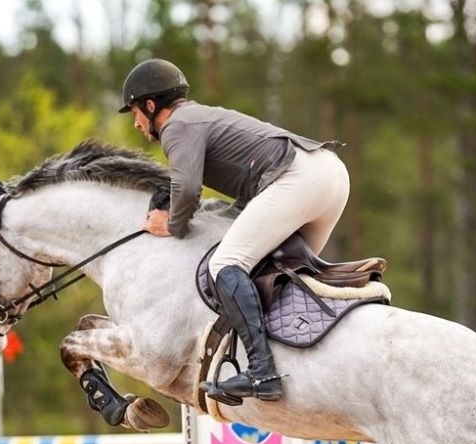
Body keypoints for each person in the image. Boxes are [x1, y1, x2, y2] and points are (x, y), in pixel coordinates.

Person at [120, 58, 349, 405]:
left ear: (151, 106)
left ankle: (262, 372)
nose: (137, 123)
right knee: (281, 273)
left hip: (300, 178)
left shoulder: (177, 125)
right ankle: (312, 364)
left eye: (136, 112)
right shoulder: (199, 117)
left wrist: (170, 225)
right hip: (329, 174)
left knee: (225, 265)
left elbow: (187, 190)